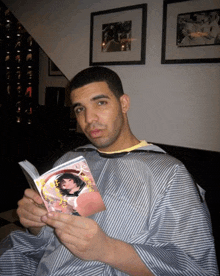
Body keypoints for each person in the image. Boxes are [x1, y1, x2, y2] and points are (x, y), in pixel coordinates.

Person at [0, 66, 218, 276]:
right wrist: (37, 223)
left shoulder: (169, 174)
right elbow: (50, 242)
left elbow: (194, 266)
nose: (89, 119)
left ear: (124, 103)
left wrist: (107, 249)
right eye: (80, 109)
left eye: (101, 103)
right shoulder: (69, 161)